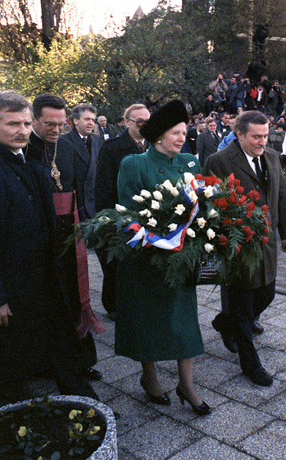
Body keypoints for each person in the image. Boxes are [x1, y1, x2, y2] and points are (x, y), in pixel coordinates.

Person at [0, 91, 98, 438]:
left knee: (51, 353)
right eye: (12, 124)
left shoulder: (33, 167)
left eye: (26, 123)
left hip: (34, 286)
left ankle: (82, 412)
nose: (22, 130)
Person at [115, 100, 210, 415]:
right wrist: (154, 238)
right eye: (175, 133)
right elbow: (128, 213)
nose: (182, 138)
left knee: (184, 322)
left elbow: (202, 207)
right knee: (149, 321)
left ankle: (188, 384)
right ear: (157, 136)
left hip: (181, 259)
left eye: (184, 132)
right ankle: (150, 377)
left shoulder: (189, 163)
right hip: (147, 258)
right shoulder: (134, 163)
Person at [203, 110, 286, 386]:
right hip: (237, 244)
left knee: (266, 294)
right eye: (256, 136)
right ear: (239, 134)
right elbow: (209, 204)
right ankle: (250, 364)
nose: (262, 141)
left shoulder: (272, 158)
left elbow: (282, 197)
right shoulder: (218, 161)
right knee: (243, 307)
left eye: (266, 135)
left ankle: (225, 322)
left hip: (266, 243)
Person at [27, 93, 100, 381]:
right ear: (34, 120)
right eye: (49, 124)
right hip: (39, 235)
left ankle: (80, 360)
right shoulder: (25, 147)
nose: (56, 131)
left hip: (69, 233)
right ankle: (46, 362)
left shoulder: (67, 147)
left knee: (73, 294)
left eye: (61, 124)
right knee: (46, 301)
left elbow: (77, 189)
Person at [95, 103, 150, 318]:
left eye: (148, 121)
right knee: (116, 263)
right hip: (119, 215)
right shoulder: (112, 148)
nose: (144, 126)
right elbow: (103, 188)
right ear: (126, 123)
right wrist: (110, 220)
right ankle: (113, 305)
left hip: (147, 214)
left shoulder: (155, 145)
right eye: (139, 122)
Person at [60, 104, 100, 220]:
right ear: (76, 121)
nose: (91, 123)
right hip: (76, 203)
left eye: (93, 120)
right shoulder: (63, 141)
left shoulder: (97, 139)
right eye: (87, 119)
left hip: (94, 201)